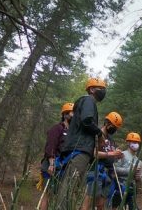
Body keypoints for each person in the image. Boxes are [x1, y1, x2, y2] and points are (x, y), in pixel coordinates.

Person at [56, 78, 107, 208]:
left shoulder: (85, 103)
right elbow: (87, 121)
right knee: (69, 186)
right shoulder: (88, 100)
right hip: (80, 150)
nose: (103, 91)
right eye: (101, 88)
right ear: (92, 89)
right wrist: (100, 134)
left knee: (77, 188)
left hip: (81, 150)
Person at [82, 112, 124, 210]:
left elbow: (111, 153)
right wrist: (111, 154)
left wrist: (117, 155)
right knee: (89, 199)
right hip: (96, 170)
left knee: (101, 204)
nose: (114, 130)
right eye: (114, 127)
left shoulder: (111, 139)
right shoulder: (97, 136)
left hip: (108, 174)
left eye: (116, 128)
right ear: (107, 123)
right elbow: (93, 153)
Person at [39, 102, 74, 210]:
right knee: (46, 195)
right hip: (51, 165)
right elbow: (51, 146)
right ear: (65, 114)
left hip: (62, 168)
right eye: (73, 113)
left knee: (59, 196)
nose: (75, 116)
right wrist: (51, 163)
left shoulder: (72, 133)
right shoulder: (57, 128)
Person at [111, 132, 142, 209]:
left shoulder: (139, 161)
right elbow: (114, 170)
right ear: (128, 142)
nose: (136, 144)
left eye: (137, 143)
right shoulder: (122, 154)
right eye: (134, 142)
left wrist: (138, 177)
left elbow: (140, 178)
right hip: (120, 186)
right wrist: (130, 171)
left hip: (132, 189)